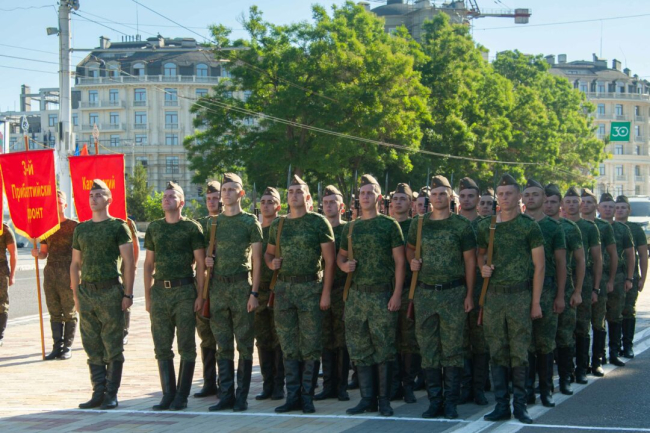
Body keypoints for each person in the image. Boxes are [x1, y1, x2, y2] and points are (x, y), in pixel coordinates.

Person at [477, 173, 544, 425]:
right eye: (501, 194)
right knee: (497, 351)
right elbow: (480, 256)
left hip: (520, 296)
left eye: (509, 193)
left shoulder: (529, 226)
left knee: (519, 352)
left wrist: (535, 302)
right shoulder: (487, 226)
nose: (504, 197)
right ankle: (501, 405)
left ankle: (521, 405)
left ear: (519, 197)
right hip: (494, 297)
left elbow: (539, 266)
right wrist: (483, 267)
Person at [407, 175, 476, 419]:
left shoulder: (461, 225)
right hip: (425, 293)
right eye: (434, 194)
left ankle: (451, 403)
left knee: (453, 348)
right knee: (428, 348)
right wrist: (412, 262)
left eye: (442, 194)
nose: (438, 198)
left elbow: (470, 261)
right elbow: (410, 249)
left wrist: (469, 294)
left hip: (453, 293)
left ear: (450, 197)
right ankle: (435, 401)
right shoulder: (419, 223)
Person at [266, 174, 335, 414]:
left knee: (311, 344)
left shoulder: (318, 222)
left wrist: (326, 293)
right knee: (288, 344)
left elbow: (330, 261)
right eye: (291, 192)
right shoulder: (278, 225)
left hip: (310, 289)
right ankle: (292, 396)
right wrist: (271, 263)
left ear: (307, 197)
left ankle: (307, 397)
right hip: (284, 290)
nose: (294, 195)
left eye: (299, 191)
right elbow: (268, 253)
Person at [338, 174, 405, 417]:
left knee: (384, 349)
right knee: (359, 348)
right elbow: (340, 257)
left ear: (378, 197)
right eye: (362, 193)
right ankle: (367, 399)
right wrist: (344, 266)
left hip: (381, 295)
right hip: (357, 297)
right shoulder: (351, 227)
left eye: (370, 193)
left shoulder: (389, 225)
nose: (365, 197)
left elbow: (400, 262)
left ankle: (384, 401)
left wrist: (397, 294)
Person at [71, 179, 135, 410]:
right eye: (91, 195)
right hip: (87, 293)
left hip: (110, 292)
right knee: (92, 345)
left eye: (99, 194)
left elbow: (129, 262)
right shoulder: (81, 229)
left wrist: (128, 294)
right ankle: (98, 392)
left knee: (112, 345)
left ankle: (111, 394)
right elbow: (75, 264)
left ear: (109, 199)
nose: (94, 198)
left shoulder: (118, 227)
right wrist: (76, 295)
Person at [144, 182, 205, 411]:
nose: (166, 199)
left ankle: (182, 395)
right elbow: (148, 264)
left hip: (185, 292)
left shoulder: (191, 228)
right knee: (161, 345)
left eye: (172, 196)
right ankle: (168, 394)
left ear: (182, 202)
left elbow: (201, 264)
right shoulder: (154, 228)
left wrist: (200, 295)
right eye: (164, 196)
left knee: (186, 345)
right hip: (160, 292)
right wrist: (148, 296)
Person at [206, 173, 263, 412]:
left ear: (241, 193)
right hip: (218, 288)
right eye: (224, 190)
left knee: (244, 343)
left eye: (231, 189)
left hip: (241, 287)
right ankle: (226, 395)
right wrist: (208, 260)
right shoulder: (212, 223)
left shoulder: (250, 222)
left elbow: (257, 260)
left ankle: (242, 397)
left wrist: (254, 293)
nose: (226, 193)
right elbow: (204, 255)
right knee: (223, 343)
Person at [522, 179, 566, 408]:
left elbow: (561, 264)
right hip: (520, 291)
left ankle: (546, 390)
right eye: (527, 194)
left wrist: (560, 295)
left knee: (545, 342)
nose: (531, 198)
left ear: (543, 198)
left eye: (535, 194)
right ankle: (527, 390)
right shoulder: (514, 224)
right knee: (524, 344)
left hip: (547, 291)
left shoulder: (553, 227)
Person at [543, 184, 585, 396]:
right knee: (544, 338)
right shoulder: (535, 226)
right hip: (542, 290)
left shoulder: (569, 228)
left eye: (553, 202)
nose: (549, 205)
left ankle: (566, 378)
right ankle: (546, 382)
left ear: (560, 204)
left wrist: (577, 291)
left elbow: (580, 260)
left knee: (565, 335)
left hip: (565, 289)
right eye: (546, 201)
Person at [32, 190, 78, 360]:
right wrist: (38, 254)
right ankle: (57, 346)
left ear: (65, 205)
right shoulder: (46, 227)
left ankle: (67, 347)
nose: (57, 205)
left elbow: (80, 254)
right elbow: (44, 252)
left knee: (69, 311)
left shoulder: (74, 226)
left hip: (68, 270)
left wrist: (76, 275)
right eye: (54, 203)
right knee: (54, 311)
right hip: (51, 272)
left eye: (59, 202)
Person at [315, 185, 350, 402]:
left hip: (343, 291)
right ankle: (328, 385)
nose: (328, 206)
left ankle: (342, 386)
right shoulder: (318, 228)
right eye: (326, 203)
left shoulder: (348, 230)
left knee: (342, 340)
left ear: (342, 207)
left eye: (333, 202)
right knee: (326, 339)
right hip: (322, 290)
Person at [458, 177, 490, 406]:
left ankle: (479, 388)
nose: (467, 200)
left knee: (480, 341)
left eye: (471, 196)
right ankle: (464, 387)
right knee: (459, 340)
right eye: (463, 196)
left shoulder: (487, 226)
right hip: (455, 289)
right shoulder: (452, 224)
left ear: (478, 199)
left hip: (480, 289)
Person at [254, 186, 285, 401]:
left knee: (278, 339)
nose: (266, 205)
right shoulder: (255, 231)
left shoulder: (281, 229)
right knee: (262, 339)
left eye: (270, 202)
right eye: (263, 202)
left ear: (278, 206)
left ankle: (279, 385)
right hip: (259, 291)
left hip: (277, 290)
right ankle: (267, 384)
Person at [573, 188, 607, 380]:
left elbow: (599, 259)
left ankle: (595, 361)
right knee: (573, 326)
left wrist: (596, 287)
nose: (585, 205)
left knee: (592, 323)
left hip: (589, 281)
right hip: (570, 280)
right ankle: (579, 365)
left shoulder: (596, 227)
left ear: (596, 206)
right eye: (583, 201)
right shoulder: (564, 225)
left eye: (588, 202)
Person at [597, 193, 634, 368]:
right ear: (599, 208)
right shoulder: (594, 226)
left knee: (615, 315)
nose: (608, 209)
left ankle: (614, 352)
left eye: (611, 207)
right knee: (598, 316)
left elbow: (630, 255)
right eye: (604, 206)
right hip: (597, 276)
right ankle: (599, 355)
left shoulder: (622, 229)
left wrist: (629, 278)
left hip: (618, 277)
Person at [391, 183, 421, 404]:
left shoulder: (416, 226)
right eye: (396, 198)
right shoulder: (386, 224)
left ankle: (408, 384)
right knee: (390, 339)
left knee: (410, 340)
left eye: (403, 199)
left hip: (411, 290)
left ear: (411, 203)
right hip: (388, 290)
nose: (399, 202)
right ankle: (394, 385)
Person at [194, 180, 222, 399]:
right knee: (205, 337)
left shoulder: (228, 221)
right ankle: (209, 381)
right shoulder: (200, 225)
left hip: (224, 286)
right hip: (203, 287)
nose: (212, 202)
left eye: (215, 198)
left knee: (223, 337)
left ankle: (225, 382)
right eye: (209, 199)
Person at [614, 195, 648, 359]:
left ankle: (627, 345)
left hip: (630, 276)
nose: (620, 210)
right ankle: (613, 347)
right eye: (617, 207)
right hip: (611, 276)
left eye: (623, 207)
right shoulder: (607, 227)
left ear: (629, 210)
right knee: (612, 312)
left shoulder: (635, 229)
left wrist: (642, 278)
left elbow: (643, 255)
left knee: (628, 310)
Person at [122, 218, 140, 346]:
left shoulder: (127, 222)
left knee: (125, 297)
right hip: (108, 267)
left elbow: (135, 244)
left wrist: (134, 265)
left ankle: (123, 332)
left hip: (125, 266)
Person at [0, 221, 16, 347]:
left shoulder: (4, 229)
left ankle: (0, 334)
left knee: (1, 304)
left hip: (1, 270)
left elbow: (13, 253)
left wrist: (12, 275)